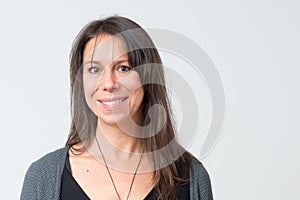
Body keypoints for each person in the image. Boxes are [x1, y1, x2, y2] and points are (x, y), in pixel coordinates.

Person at [20, 16, 213, 200]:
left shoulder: (191, 177)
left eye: (123, 68)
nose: (109, 83)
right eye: (94, 70)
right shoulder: (42, 178)